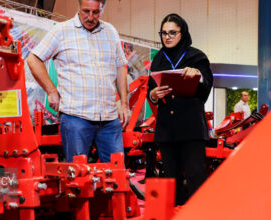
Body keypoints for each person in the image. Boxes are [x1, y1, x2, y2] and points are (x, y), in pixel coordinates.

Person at [27, 0, 130, 163]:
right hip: (76, 117)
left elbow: (120, 67)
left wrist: (124, 104)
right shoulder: (61, 31)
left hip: (109, 119)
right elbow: (34, 59)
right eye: (86, 11)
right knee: (77, 177)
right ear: (78, 7)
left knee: (116, 175)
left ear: (102, 8)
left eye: (96, 12)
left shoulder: (110, 32)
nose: (90, 17)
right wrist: (51, 91)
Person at [147, 13, 213, 205]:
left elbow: (207, 84)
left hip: (191, 128)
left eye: (172, 32)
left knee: (196, 177)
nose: (167, 37)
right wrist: (153, 95)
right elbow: (151, 90)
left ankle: (199, 214)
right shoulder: (158, 59)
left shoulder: (196, 56)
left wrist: (198, 75)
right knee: (170, 180)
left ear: (182, 33)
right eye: (164, 33)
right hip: (167, 129)